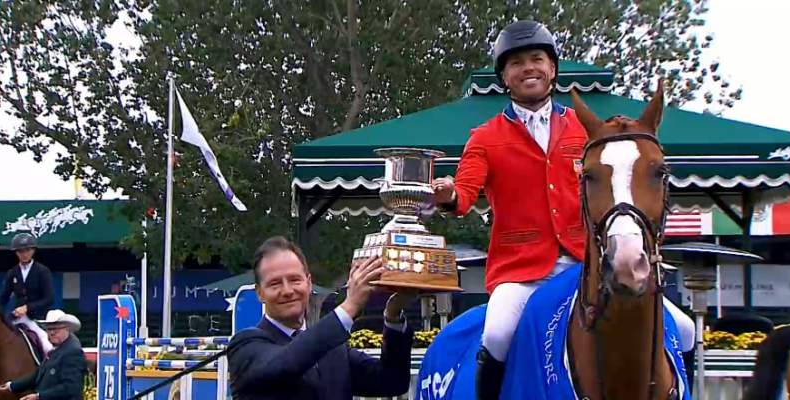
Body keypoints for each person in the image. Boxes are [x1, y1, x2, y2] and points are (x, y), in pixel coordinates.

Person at [432, 19, 696, 400]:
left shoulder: (588, 130)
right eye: (517, 63)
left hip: (587, 265)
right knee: (499, 333)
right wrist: (448, 194)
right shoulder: (485, 138)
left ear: (553, 69)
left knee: (685, 328)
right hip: (522, 273)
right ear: (504, 76)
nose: (529, 68)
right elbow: (465, 193)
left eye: (537, 59)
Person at [227, 236, 416, 400]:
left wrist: (393, 314)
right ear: (259, 293)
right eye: (275, 284)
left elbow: (392, 382)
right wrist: (349, 306)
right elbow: (287, 365)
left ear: (309, 283)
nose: (287, 291)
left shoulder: (333, 348)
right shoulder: (246, 347)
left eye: (295, 280)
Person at [0, 310, 88, 400]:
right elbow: (38, 375)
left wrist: (39, 396)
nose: (52, 332)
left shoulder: (72, 352)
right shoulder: (56, 350)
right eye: (49, 329)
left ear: (67, 329)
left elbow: (70, 388)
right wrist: (11, 386)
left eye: (56, 329)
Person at [0, 233, 55, 353]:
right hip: (17, 318)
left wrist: (27, 308)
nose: (24, 254)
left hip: (37, 318)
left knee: (47, 346)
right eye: (20, 251)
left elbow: (49, 298)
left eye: (27, 250)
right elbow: (2, 299)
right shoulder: (12, 273)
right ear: (16, 253)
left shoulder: (42, 271)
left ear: (33, 250)